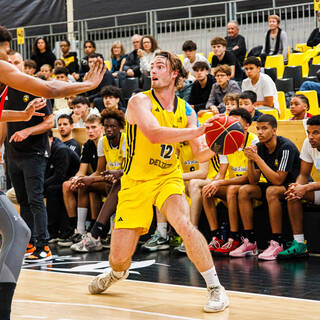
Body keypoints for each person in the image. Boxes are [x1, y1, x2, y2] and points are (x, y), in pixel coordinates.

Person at [88, 51, 229, 313]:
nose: (153, 70)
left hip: (167, 177)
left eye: (160, 66)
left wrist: (222, 144)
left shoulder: (186, 110)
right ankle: (117, 274)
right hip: (135, 183)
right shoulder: (139, 101)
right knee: (118, 260)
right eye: (152, 66)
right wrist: (198, 130)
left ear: (175, 73)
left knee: (185, 225)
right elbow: (154, 134)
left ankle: (216, 288)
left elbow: (199, 152)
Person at [0, 24, 105, 319]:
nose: (8, 58)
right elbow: (49, 88)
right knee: (19, 231)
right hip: (18, 154)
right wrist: (87, 86)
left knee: (19, 229)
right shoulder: (1, 68)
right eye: (6, 52)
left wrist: (21, 116)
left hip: (28, 152)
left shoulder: (8, 87)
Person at [3, 51, 54, 264]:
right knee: (22, 200)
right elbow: (3, 121)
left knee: (35, 199)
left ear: (23, 65)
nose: (13, 66)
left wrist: (28, 131)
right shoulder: (3, 89)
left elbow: (50, 122)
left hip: (34, 153)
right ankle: (29, 241)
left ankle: (44, 245)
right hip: (12, 154)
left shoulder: (33, 88)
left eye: (17, 63)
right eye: (10, 63)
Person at [230, 114, 300, 260]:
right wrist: (250, 160)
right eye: (258, 129)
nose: (260, 132)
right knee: (245, 191)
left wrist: (257, 158)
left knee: (271, 191)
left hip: (293, 184)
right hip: (272, 184)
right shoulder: (259, 147)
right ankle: (250, 242)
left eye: (264, 128)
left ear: (274, 130)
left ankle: (277, 241)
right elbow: (253, 180)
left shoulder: (286, 147)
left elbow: (278, 180)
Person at [202, 108, 259, 255]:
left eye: (237, 123)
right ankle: (217, 237)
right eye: (231, 122)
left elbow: (250, 177)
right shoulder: (227, 140)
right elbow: (222, 172)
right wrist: (214, 182)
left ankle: (234, 238)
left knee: (232, 189)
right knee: (206, 190)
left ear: (247, 125)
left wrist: (220, 183)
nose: (233, 126)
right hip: (234, 184)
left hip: (255, 185)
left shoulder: (254, 141)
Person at [66, 108, 126, 247]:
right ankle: (81, 232)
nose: (109, 129)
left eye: (113, 126)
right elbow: (100, 171)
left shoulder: (125, 140)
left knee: (114, 183)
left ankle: (110, 233)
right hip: (109, 180)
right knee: (83, 185)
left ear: (120, 127)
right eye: (107, 126)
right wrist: (84, 179)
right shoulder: (102, 142)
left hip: (125, 182)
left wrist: (91, 178)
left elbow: (124, 172)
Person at [282, 115, 320, 258]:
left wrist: (306, 188)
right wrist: (297, 187)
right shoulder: (308, 143)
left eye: (315, 132)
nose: (310, 137)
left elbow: (308, 185)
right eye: (308, 132)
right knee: (293, 195)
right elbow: (304, 174)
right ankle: (299, 244)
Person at [61, 114, 103, 245]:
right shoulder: (88, 145)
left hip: (105, 178)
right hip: (94, 177)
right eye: (87, 128)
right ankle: (77, 230)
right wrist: (75, 179)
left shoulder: (105, 141)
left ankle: (93, 230)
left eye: (93, 127)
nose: (90, 131)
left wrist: (84, 179)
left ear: (101, 128)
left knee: (85, 185)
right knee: (66, 185)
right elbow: (82, 171)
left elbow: (102, 171)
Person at [44, 130, 80, 244]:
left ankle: (54, 231)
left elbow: (60, 176)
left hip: (72, 181)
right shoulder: (46, 149)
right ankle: (38, 229)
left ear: (51, 139)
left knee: (52, 190)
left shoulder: (61, 150)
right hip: (60, 181)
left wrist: (41, 185)